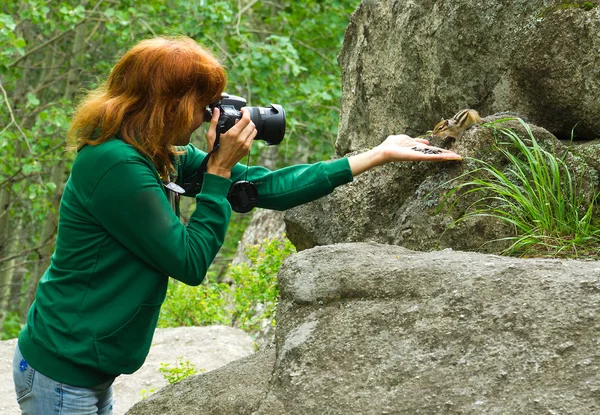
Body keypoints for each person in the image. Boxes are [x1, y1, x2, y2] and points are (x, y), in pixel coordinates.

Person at [12, 36, 461, 414]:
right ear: (168, 104)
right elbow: (189, 261)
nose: (209, 115)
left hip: (83, 368)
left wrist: (377, 154)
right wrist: (219, 172)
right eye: (203, 104)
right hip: (61, 373)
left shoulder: (151, 152)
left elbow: (268, 186)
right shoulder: (115, 164)